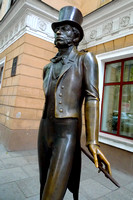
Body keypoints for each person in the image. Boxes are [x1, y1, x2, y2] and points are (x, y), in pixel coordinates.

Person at [38, 6, 111, 200]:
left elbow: (92, 97)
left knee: (51, 194)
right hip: (44, 130)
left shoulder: (85, 59)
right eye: (57, 29)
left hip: (67, 133)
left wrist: (92, 141)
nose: (58, 32)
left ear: (76, 36)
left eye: (64, 28)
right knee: (43, 183)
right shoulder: (47, 67)